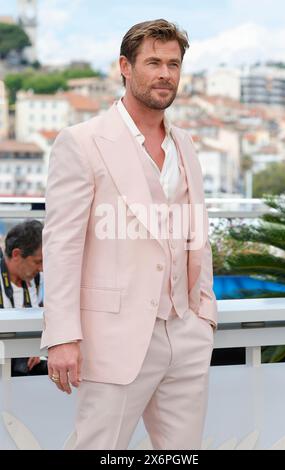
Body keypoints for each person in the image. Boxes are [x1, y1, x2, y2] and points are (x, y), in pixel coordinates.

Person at [41, 19, 218, 450]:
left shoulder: (187, 145)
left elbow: (198, 234)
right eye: (153, 62)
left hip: (185, 333)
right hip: (114, 337)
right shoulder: (82, 142)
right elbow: (62, 244)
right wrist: (62, 335)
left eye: (173, 64)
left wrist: (204, 316)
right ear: (125, 66)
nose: (165, 74)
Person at [1, 219, 46, 376]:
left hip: (28, 364)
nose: (41, 268)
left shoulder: (35, 280)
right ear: (16, 255)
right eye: (38, 262)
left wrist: (35, 348)